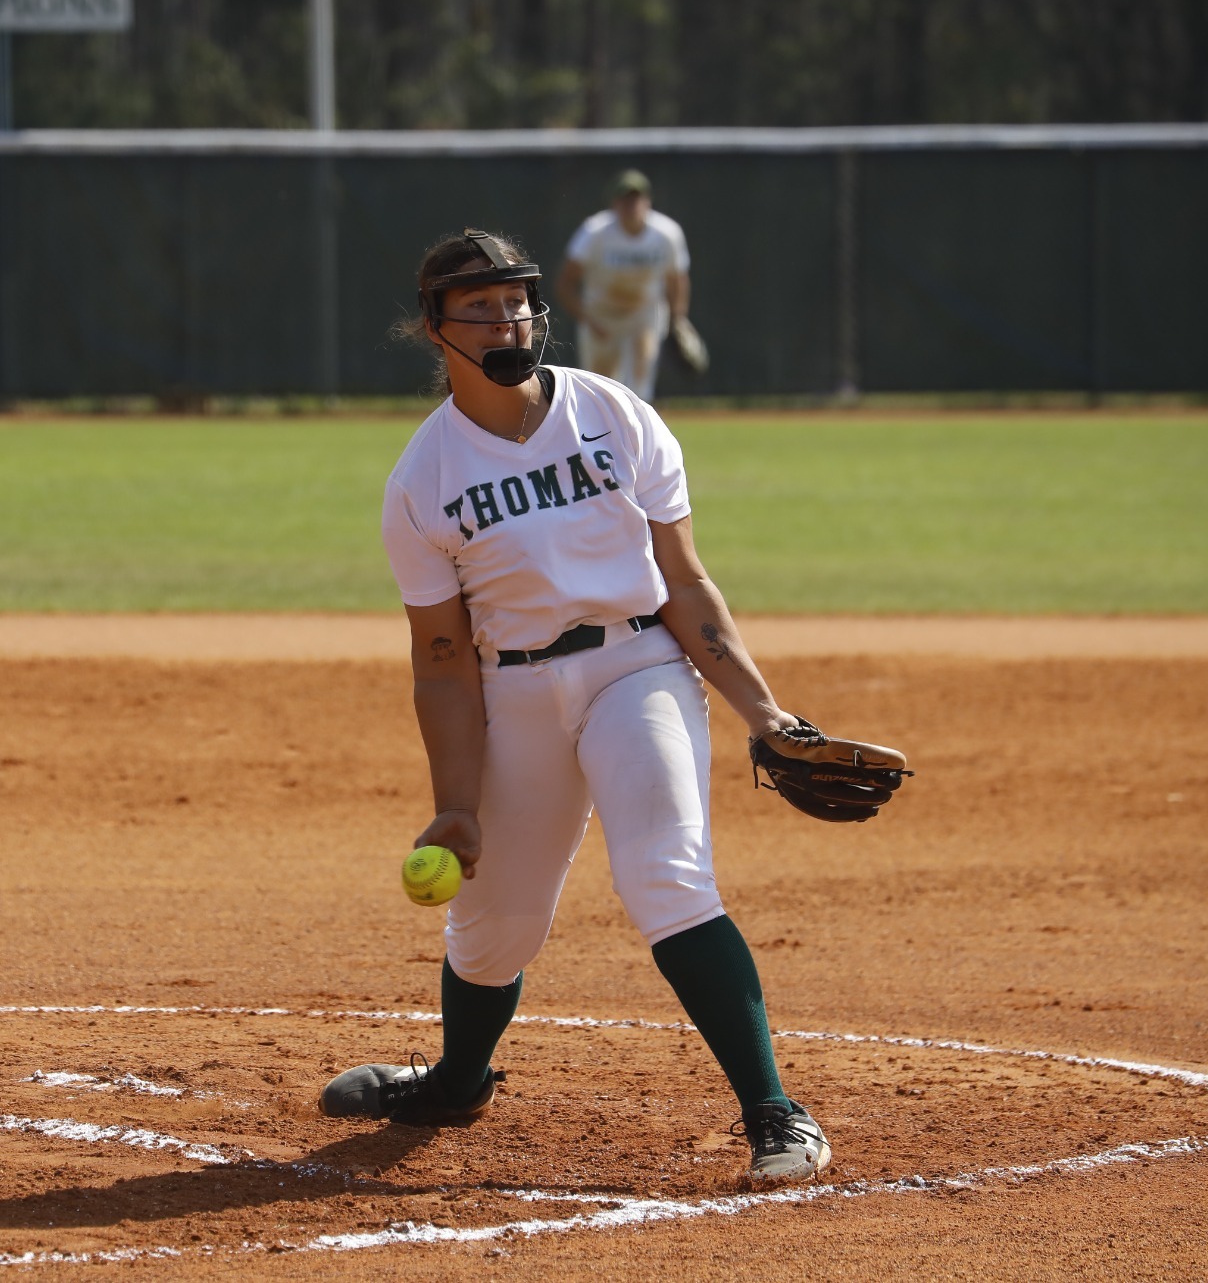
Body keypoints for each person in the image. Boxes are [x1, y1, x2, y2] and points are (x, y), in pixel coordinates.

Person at [317, 228, 831, 1190]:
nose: (508, 319)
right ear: (435, 330)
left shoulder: (614, 414)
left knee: (665, 877)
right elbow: (440, 657)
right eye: (481, 307)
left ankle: (775, 1110)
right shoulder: (423, 479)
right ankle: (459, 1081)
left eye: (517, 300)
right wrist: (458, 802)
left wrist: (765, 714)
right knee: (493, 926)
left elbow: (684, 580)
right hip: (512, 690)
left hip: (639, 665)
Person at [556, 168, 702, 404]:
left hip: (643, 316)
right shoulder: (594, 232)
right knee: (598, 390)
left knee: (640, 388)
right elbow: (565, 283)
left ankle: (638, 439)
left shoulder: (666, 233)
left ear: (648, 201)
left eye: (637, 198)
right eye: (625, 198)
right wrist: (588, 319)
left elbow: (677, 279)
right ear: (615, 203)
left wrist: (679, 319)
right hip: (601, 315)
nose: (631, 204)